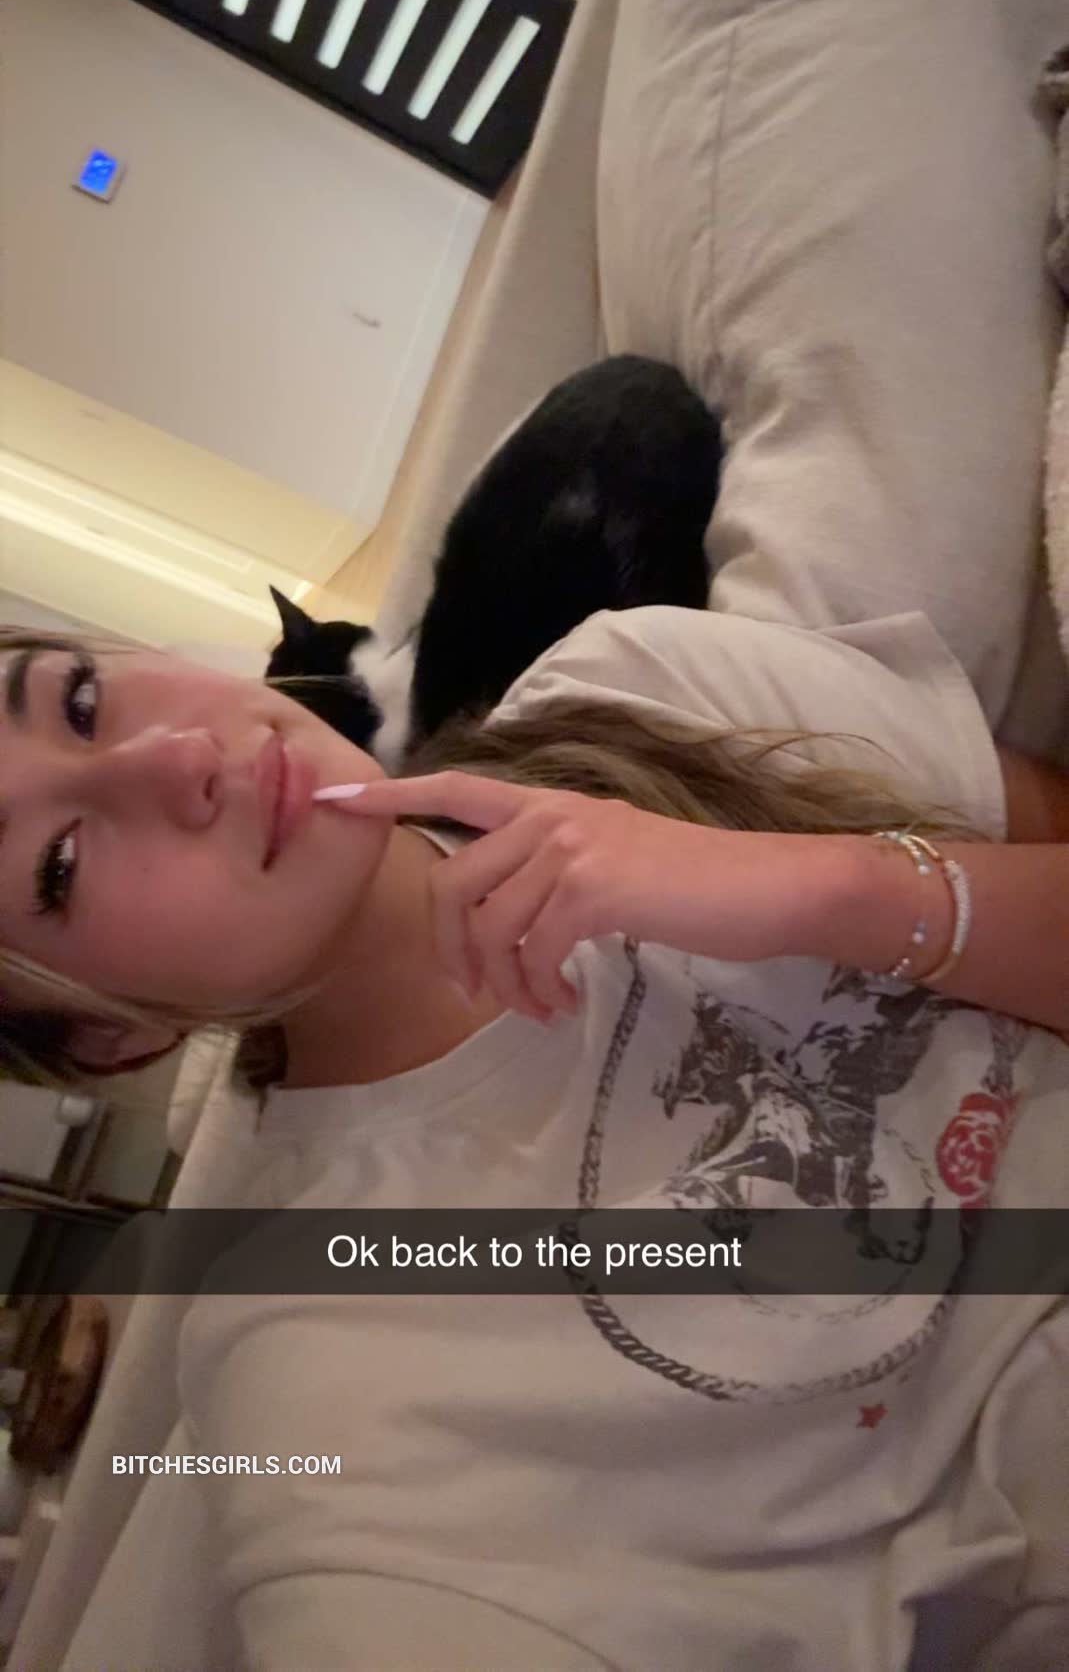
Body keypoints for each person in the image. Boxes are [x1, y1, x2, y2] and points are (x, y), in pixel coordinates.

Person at [1, 604, 1068, 1670]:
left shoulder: (646, 694)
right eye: (60, 862)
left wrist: (837, 890)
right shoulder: (331, 1378)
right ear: (111, 1035)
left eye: (80, 699)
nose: (176, 758)